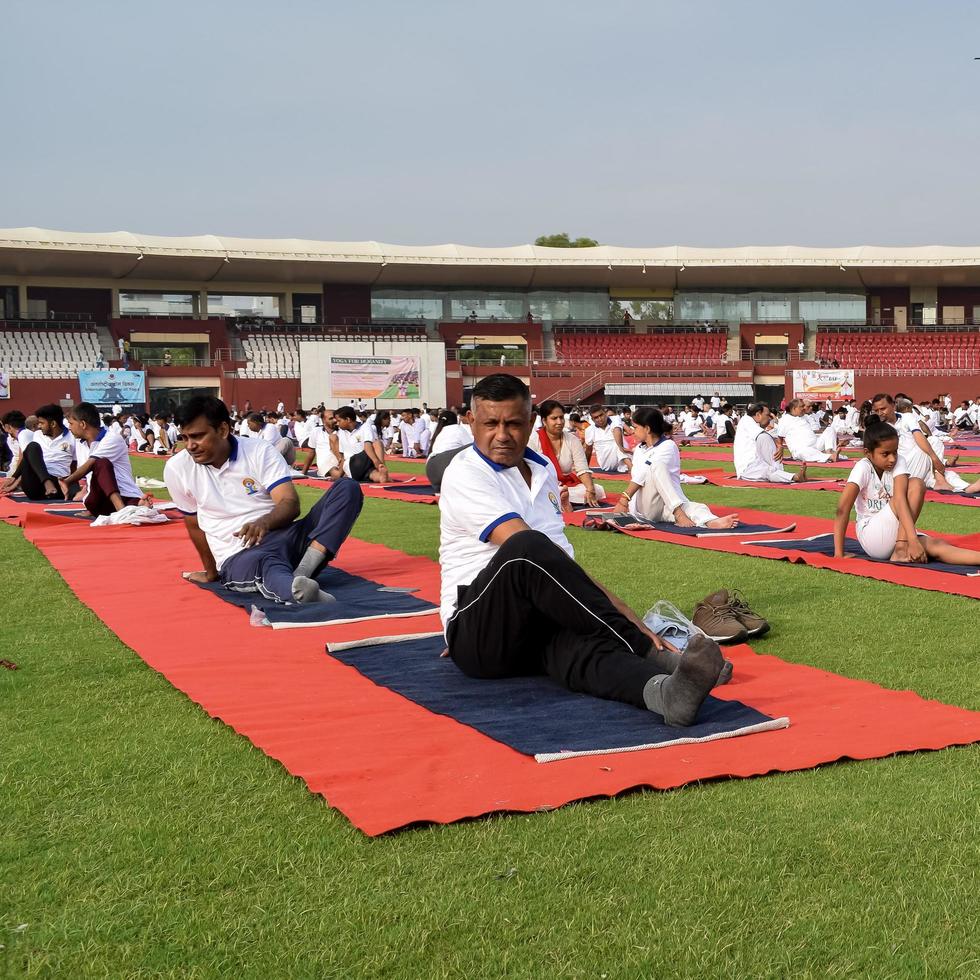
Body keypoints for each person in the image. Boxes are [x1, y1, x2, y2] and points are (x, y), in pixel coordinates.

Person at [438, 374, 726, 727]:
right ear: (470, 423)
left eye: (513, 423)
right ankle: (647, 649)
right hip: (479, 630)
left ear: (532, 423)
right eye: (490, 423)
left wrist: (621, 608)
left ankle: (666, 694)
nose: (501, 434)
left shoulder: (542, 470)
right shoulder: (465, 473)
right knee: (525, 547)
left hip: (532, 628)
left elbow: (560, 567)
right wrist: (626, 624)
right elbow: (525, 550)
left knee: (582, 646)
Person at [164, 396, 363, 604]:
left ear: (223, 430)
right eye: (184, 438)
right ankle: (296, 590)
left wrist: (264, 523)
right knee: (264, 563)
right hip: (240, 553)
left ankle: (303, 572)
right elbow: (194, 524)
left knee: (347, 488)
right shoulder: (178, 468)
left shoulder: (259, 450)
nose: (190, 446)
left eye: (197, 436)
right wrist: (211, 571)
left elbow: (289, 502)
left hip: (287, 536)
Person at [835, 422, 980, 567]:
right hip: (872, 536)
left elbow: (900, 499)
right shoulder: (863, 467)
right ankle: (900, 549)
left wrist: (912, 540)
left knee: (936, 545)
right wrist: (839, 553)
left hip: (897, 531)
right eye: (885, 454)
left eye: (895, 452)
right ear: (868, 453)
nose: (892, 458)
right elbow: (843, 509)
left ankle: (901, 546)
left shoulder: (899, 461)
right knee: (916, 484)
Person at [612, 407, 737, 528]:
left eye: (636, 427)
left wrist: (624, 499)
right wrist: (625, 500)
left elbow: (645, 471)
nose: (633, 431)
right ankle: (678, 513)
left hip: (668, 504)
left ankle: (710, 522)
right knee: (656, 465)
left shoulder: (668, 446)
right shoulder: (639, 450)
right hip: (646, 505)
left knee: (695, 508)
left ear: (647, 429)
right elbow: (642, 474)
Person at [62, 402, 143, 516]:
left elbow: (91, 464)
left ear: (83, 424)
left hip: (124, 494)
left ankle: (122, 509)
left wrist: (67, 482)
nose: (69, 427)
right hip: (99, 501)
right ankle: (127, 508)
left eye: (71, 423)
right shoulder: (79, 443)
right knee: (99, 464)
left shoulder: (112, 438)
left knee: (101, 462)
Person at [534, 400, 605, 509]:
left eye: (561, 417)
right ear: (544, 421)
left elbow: (582, 469)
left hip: (566, 485)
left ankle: (560, 498)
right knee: (541, 492)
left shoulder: (572, 440)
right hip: (542, 485)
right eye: (554, 418)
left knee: (597, 490)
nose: (559, 422)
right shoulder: (534, 439)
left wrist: (590, 490)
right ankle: (560, 497)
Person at [0, 403, 76, 500]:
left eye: (41, 423)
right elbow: (30, 460)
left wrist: (69, 483)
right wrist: (14, 479)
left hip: (58, 484)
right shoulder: (37, 435)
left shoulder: (72, 437)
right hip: (36, 483)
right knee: (32, 447)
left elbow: (74, 465)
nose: (39, 426)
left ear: (53, 424)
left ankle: (50, 485)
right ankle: (47, 483)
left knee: (31, 448)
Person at [734, 403, 808, 484]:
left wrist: (779, 444)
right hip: (747, 468)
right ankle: (795, 477)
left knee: (769, 470)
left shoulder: (752, 423)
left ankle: (790, 475)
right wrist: (779, 445)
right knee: (768, 470)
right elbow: (763, 435)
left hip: (756, 463)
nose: (769, 418)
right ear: (758, 415)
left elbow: (771, 434)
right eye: (767, 415)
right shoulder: (746, 420)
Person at [775, 399, 845, 463]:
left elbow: (814, 430)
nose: (804, 408)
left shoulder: (803, 416)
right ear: (794, 408)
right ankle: (830, 456)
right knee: (803, 452)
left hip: (816, 445)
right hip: (802, 449)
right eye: (802, 406)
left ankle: (829, 451)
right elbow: (779, 437)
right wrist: (780, 448)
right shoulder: (785, 419)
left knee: (830, 429)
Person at [335, 406, 390, 482]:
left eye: (339, 421)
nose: (337, 423)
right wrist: (377, 462)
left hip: (363, 467)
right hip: (352, 464)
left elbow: (367, 446)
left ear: (348, 419)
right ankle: (381, 467)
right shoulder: (341, 433)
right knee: (377, 443)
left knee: (373, 474)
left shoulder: (364, 427)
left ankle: (381, 476)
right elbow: (367, 446)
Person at [426, 409, 475, 492]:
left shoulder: (439, 431)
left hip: (431, 469)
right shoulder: (458, 428)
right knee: (474, 447)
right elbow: (472, 448)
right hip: (443, 466)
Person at [301, 408, 344, 479]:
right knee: (336, 472)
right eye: (331, 418)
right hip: (326, 466)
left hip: (342, 463)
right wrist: (304, 472)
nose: (335, 420)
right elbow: (311, 453)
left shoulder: (343, 431)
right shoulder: (316, 431)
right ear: (323, 420)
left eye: (336, 418)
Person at [586, 406, 630, 473]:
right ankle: (631, 467)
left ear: (605, 413)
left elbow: (617, 430)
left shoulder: (615, 419)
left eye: (601, 415)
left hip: (623, 459)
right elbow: (588, 451)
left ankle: (630, 466)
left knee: (620, 443)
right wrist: (585, 468)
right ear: (592, 419)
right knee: (618, 445)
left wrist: (621, 447)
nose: (600, 419)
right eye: (596, 417)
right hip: (607, 464)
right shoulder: (589, 430)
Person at [2, 410, 33, 476]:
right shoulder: (9, 439)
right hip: (13, 472)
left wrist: (14, 478)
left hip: (25, 474)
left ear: (7, 427)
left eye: (2, 425)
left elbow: (23, 458)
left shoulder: (24, 434)